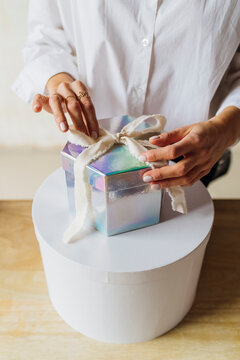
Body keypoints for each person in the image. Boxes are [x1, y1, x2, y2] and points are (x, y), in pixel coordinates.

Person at [13, 0, 240, 189]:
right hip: (96, 149)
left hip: (192, 157)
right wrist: (58, 79)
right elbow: (45, 35)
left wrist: (226, 128)